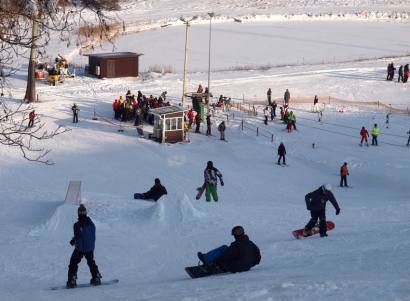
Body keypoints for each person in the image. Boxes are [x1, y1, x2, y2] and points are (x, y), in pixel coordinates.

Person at [197, 226, 261, 274]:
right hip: (247, 267)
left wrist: (215, 263)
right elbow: (258, 258)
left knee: (224, 248)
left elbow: (226, 256)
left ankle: (206, 259)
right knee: (230, 252)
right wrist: (248, 264)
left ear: (235, 235)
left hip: (234, 267)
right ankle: (209, 260)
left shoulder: (236, 245)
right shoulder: (251, 243)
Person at [67, 204, 101, 288]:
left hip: (80, 248)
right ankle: (96, 277)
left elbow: (78, 235)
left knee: (73, 263)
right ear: (85, 213)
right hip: (90, 248)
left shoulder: (77, 225)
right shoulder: (92, 223)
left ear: (78, 213)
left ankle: (72, 280)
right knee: (91, 262)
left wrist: (73, 241)